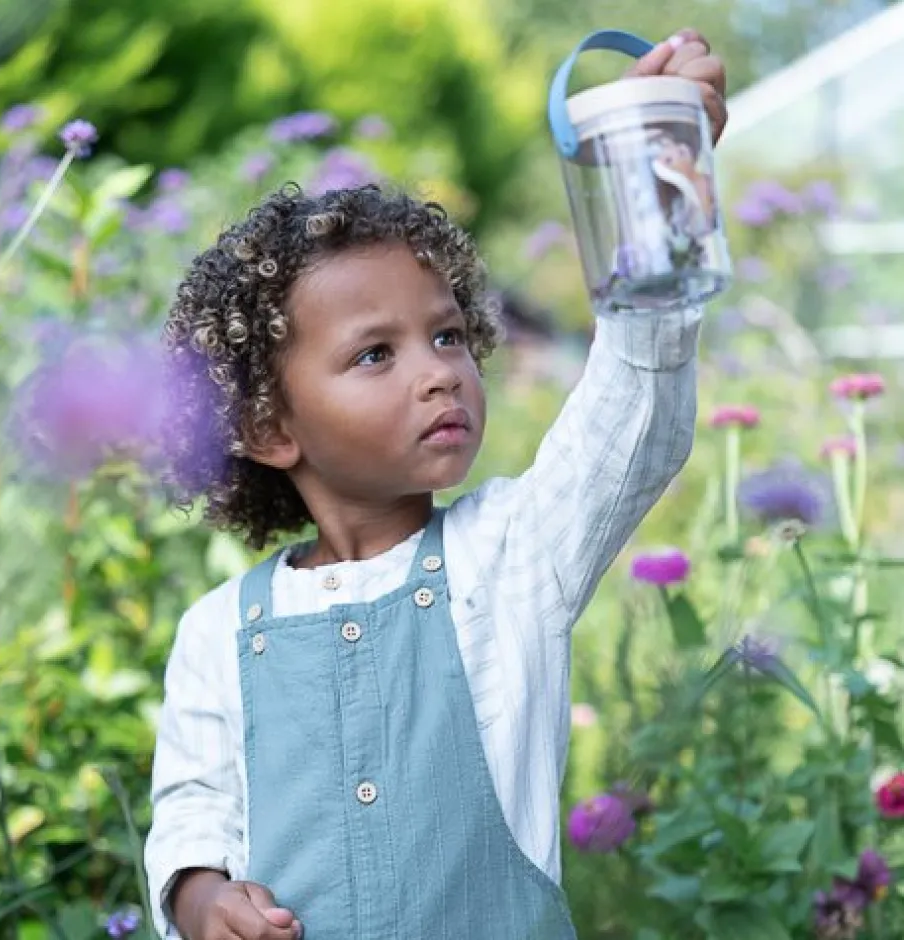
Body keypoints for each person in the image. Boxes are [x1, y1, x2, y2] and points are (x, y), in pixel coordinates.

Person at [144, 29, 727, 940]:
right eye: (376, 353)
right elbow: (192, 810)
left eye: (449, 335)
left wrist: (655, 208)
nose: (440, 371)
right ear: (268, 428)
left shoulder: (513, 557)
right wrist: (201, 897)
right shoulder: (217, 632)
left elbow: (633, 415)